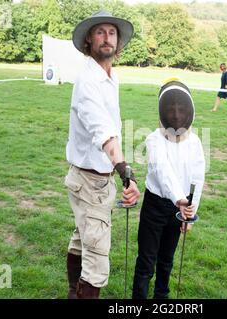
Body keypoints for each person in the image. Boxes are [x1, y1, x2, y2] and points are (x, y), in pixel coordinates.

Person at [64, 10, 141, 299]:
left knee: (82, 240)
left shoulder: (110, 76)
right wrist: (126, 172)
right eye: (100, 32)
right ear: (88, 41)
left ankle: (73, 292)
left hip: (93, 178)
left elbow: (109, 128)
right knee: (96, 263)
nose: (107, 37)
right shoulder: (89, 81)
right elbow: (104, 133)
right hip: (90, 181)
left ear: (118, 42)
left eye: (112, 32)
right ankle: (79, 292)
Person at [132, 79, 205, 299]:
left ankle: (161, 300)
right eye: (170, 109)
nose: (175, 114)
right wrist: (180, 200)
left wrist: (190, 210)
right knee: (146, 262)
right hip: (155, 207)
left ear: (189, 111)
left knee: (166, 261)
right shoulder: (153, 139)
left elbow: (197, 177)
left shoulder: (195, 143)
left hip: (179, 211)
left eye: (181, 109)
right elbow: (162, 172)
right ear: (162, 111)